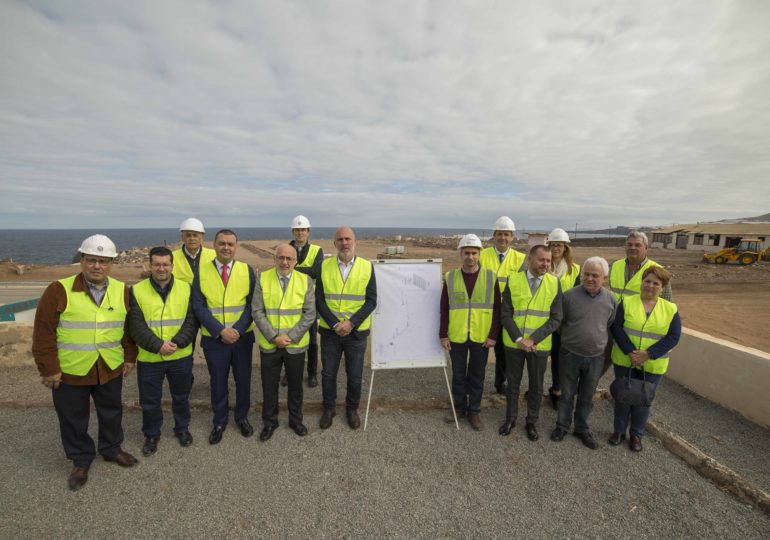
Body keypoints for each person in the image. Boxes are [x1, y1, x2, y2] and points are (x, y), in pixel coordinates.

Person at [32, 234, 139, 491]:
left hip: (109, 366)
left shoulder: (122, 290)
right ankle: (81, 460)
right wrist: (50, 369)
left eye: (103, 261)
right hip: (71, 370)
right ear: (82, 260)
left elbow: (126, 329)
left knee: (112, 412)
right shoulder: (59, 289)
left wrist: (129, 357)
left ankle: (112, 449)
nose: (97, 266)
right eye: (92, 260)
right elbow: (43, 332)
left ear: (111, 263)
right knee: (72, 417)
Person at [128, 246, 198, 456]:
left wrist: (177, 342)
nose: (161, 268)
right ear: (150, 265)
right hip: (150, 358)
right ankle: (151, 434)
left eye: (165, 264)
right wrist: (158, 345)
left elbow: (191, 320)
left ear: (172, 266)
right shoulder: (137, 290)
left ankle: (182, 429)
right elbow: (136, 325)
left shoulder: (186, 288)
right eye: (157, 264)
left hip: (180, 356)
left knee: (181, 396)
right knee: (149, 400)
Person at [192, 229, 256, 444]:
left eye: (230, 244)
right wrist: (221, 330)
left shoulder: (247, 271)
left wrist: (236, 329)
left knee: (243, 381)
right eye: (222, 243)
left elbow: (252, 305)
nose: (226, 247)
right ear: (214, 245)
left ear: (236, 246)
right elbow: (199, 307)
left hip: (242, 339)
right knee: (218, 382)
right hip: (215, 340)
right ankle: (219, 421)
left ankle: (242, 417)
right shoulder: (201, 272)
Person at [609, 266, 681, 452]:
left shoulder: (670, 308)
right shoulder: (627, 301)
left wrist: (648, 354)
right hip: (626, 360)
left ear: (662, 287)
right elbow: (617, 328)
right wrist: (631, 352)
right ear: (642, 282)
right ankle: (618, 431)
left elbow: (673, 336)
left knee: (643, 400)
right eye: (647, 281)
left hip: (652, 365)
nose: (650, 285)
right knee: (622, 398)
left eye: (655, 283)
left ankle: (636, 435)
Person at [549, 257, 616, 449]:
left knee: (587, 396)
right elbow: (560, 325)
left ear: (604, 277)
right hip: (570, 355)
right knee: (567, 394)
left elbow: (609, 324)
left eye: (595, 275)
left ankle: (581, 428)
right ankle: (562, 426)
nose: (589, 278)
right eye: (586, 274)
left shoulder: (610, 299)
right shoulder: (568, 297)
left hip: (595, 358)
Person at [251, 244, 316, 441]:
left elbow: (310, 313)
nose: (285, 262)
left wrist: (291, 336)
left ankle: (296, 420)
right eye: (281, 258)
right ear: (275, 259)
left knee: (295, 386)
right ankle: (270, 422)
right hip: (270, 345)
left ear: (295, 261)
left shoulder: (305, 281)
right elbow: (257, 311)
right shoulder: (263, 278)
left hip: (295, 345)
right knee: (269, 386)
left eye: (289, 258)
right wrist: (274, 337)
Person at [499, 245, 562, 442]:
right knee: (513, 385)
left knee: (536, 386)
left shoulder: (554, 283)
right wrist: (519, 339)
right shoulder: (514, 280)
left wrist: (532, 339)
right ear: (530, 260)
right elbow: (505, 314)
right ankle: (510, 419)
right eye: (541, 260)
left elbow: (556, 318)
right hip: (514, 344)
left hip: (539, 346)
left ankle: (531, 422)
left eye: (548, 261)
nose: (545, 264)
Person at [316, 226, 377, 430]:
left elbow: (371, 301)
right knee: (328, 374)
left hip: (356, 333)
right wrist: (335, 323)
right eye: (340, 239)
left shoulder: (367, 267)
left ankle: (352, 409)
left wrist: (351, 323)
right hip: (330, 332)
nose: (344, 243)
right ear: (334, 243)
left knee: (355, 375)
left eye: (348, 239)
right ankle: (329, 409)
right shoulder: (323, 266)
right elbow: (319, 300)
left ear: (355, 242)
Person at [440, 234, 501, 430]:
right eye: (467, 252)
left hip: (480, 337)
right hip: (457, 335)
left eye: (474, 253)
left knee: (476, 375)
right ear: (461, 254)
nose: (470, 257)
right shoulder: (450, 277)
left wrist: (493, 336)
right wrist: (443, 334)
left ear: (479, 254)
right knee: (458, 375)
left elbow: (498, 309)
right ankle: (459, 408)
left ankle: (474, 411)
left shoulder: (491, 277)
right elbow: (444, 307)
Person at [605, 230, 672, 373]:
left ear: (646, 248)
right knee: (605, 361)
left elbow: (666, 303)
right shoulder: (616, 266)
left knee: (638, 374)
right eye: (629, 244)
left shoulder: (657, 270)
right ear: (624, 246)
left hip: (638, 329)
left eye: (637, 245)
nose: (632, 248)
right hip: (614, 325)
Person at [479, 216, 525, 395]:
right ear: (494, 235)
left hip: (508, 313)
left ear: (512, 237)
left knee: (503, 352)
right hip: (486, 311)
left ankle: (500, 383)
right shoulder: (482, 255)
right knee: (481, 349)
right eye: (499, 234)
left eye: (506, 234)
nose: (503, 238)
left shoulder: (520, 259)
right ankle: (477, 383)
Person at [280, 214, 324, 388]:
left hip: (309, 303)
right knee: (286, 338)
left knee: (312, 341)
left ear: (308, 232)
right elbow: (281, 270)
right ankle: (288, 373)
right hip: (288, 301)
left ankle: (312, 373)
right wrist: (297, 268)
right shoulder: (284, 249)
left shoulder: (316, 250)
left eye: (303, 230)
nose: (300, 233)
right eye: (297, 230)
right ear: (293, 231)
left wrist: (294, 268)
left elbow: (317, 272)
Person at [545, 227, 581, 410]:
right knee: (540, 356)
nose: (556, 248)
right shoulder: (542, 265)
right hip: (543, 320)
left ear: (566, 247)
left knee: (561, 358)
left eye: (559, 245)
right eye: (553, 245)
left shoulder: (575, 270)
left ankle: (558, 389)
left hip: (564, 323)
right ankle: (536, 389)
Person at [172, 217, 216, 284]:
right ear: (182, 237)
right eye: (188, 235)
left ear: (202, 237)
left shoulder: (214, 255)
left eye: (195, 235)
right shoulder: (172, 257)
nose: (192, 238)